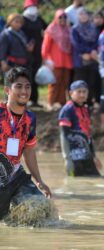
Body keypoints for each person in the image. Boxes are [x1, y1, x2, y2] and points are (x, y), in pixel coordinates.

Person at [0, 67, 51, 219]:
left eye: (27, 86)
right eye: (19, 86)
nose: (24, 91)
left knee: (42, 210)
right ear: (8, 90)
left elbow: (29, 152)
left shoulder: (30, 118)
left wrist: (39, 180)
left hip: (17, 177)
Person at [58, 80, 102, 176]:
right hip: (74, 155)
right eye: (79, 92)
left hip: (86, 153)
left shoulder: (85, 109)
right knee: (75, 181)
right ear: (71, 93)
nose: (82, 95)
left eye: (84, 92)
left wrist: (94, 156)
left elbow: (88, 136)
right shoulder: (67, 110)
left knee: (95, 179)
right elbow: (64, 135)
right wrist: (67, 159)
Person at [42, 9, 73, 111]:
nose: (62, 19)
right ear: (56, 18)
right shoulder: (51, 30)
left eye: (64, 17)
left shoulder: (68, 29)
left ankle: (61, 102)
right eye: (60, 17)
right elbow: (45, 47)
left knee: (65, 82)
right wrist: (46, 60)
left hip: (67, 60)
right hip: (55, 61)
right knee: (54, 83)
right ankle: (50, 103)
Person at [70, 7, 100, 107]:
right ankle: (77, 104)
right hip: (80, 59)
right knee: (79, 83)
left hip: (92, 59)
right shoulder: (75, 29)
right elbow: (76, 44)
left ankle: (89, 103)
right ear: (78, 16)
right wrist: (87, 52)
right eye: (81, 14)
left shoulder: (94, 28)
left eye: (85, 14)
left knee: (91, 83)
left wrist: (92, 52)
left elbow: (97, 42)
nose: (83, 16)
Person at [22, 0, 47, 108]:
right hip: (25, 52)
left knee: (35, 74)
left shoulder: (39, 19)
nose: (33, 8)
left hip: (38, 52)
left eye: (34, 6)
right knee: (26, 76)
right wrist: (27, 44)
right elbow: (19, 33)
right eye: (31, 6)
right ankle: (24, 100)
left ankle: (34, 99)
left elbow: (48, 28)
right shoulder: (22, 19)